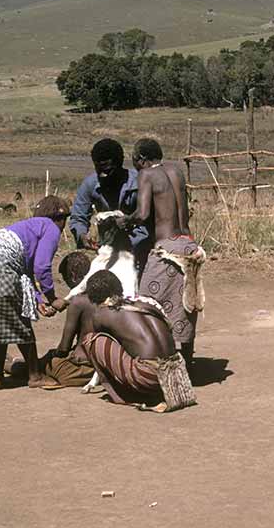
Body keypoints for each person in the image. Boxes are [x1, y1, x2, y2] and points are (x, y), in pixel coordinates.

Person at [0, 196, 69, 390]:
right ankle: (35, 376)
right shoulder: (51, 227)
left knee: (1, 321)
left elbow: (25, 272)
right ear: (60, 218)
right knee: (20, 322)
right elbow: (41, 267)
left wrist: (38, 299)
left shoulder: (26, 227)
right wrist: (53, 298)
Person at [120, 138, 206, 363]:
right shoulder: (176, 171)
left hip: (167, 247)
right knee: (185, 304)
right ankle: (187, 363)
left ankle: (152, 358)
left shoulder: (147, 174)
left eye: (134, 161)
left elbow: (142, 213)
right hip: (188, 244)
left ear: (141, 159)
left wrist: (124, 221)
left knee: (147, 303)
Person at [82, 271, 196, 412]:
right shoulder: (146, 302)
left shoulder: (102, 314)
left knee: (91, 340)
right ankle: (161, 390)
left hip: (148, 376)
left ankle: (131, 395)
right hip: (177, 372)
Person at [0, 251, 98, 388]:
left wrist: (53, 355)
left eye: (66, 279)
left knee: (42, 364)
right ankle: (16, 363)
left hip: (78, 369)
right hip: (101, 367)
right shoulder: (102, 294)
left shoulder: (78, 302)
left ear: (73, 276)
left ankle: (12, 366)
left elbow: (64, 348)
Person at [69, 138, 150, 288]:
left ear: (119, 164)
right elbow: (78, 216)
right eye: (98, 170)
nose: (103, 176)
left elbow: (151, 218)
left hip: (141, 249)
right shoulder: (90, 184)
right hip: (108, 251)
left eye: (108, 170)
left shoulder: (139, 183)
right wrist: (82, 235)